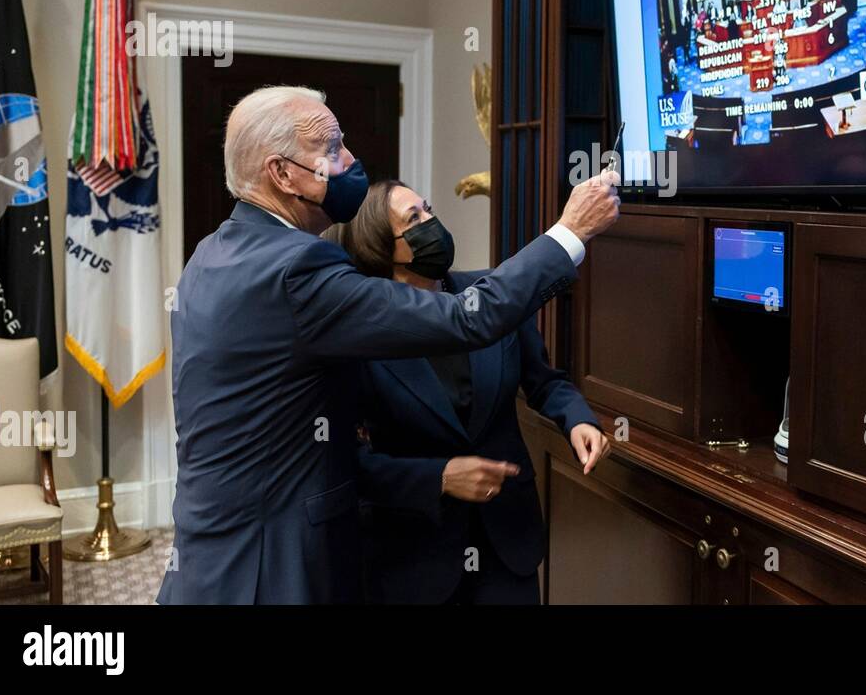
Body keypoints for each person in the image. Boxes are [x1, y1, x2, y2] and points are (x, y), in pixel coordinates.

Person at [156, 85, 619, 604]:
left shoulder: (210, 254)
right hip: (273, 564)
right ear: (281, 173)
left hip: (213, 554)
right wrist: (569, 231)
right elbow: (472, 319)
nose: (351, 160)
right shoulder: (297, 268)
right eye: (331, 149)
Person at [326, 181, 608, 604]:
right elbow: (348, 463)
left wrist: (578, 418)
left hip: (507, 543)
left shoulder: (490, 294)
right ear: (382, 248)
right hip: (416, 556)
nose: (432, 224)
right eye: (414, 220)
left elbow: (545, 380)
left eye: (429, 208)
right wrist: (438, 477)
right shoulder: (367, 336)